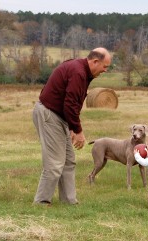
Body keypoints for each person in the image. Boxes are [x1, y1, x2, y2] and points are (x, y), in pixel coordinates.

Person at [32, 47, 112, 205]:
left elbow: (69, 104)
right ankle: (41, 203)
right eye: (105, 66)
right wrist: (78, 130)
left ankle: (69, 201)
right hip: (50, 115)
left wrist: (71, 127)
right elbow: (70, 105)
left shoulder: (81, 71)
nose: (105, 70)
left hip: (59, 117)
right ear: (95, 61)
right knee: (54, 163)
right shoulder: (78, 73)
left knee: (69, 161)